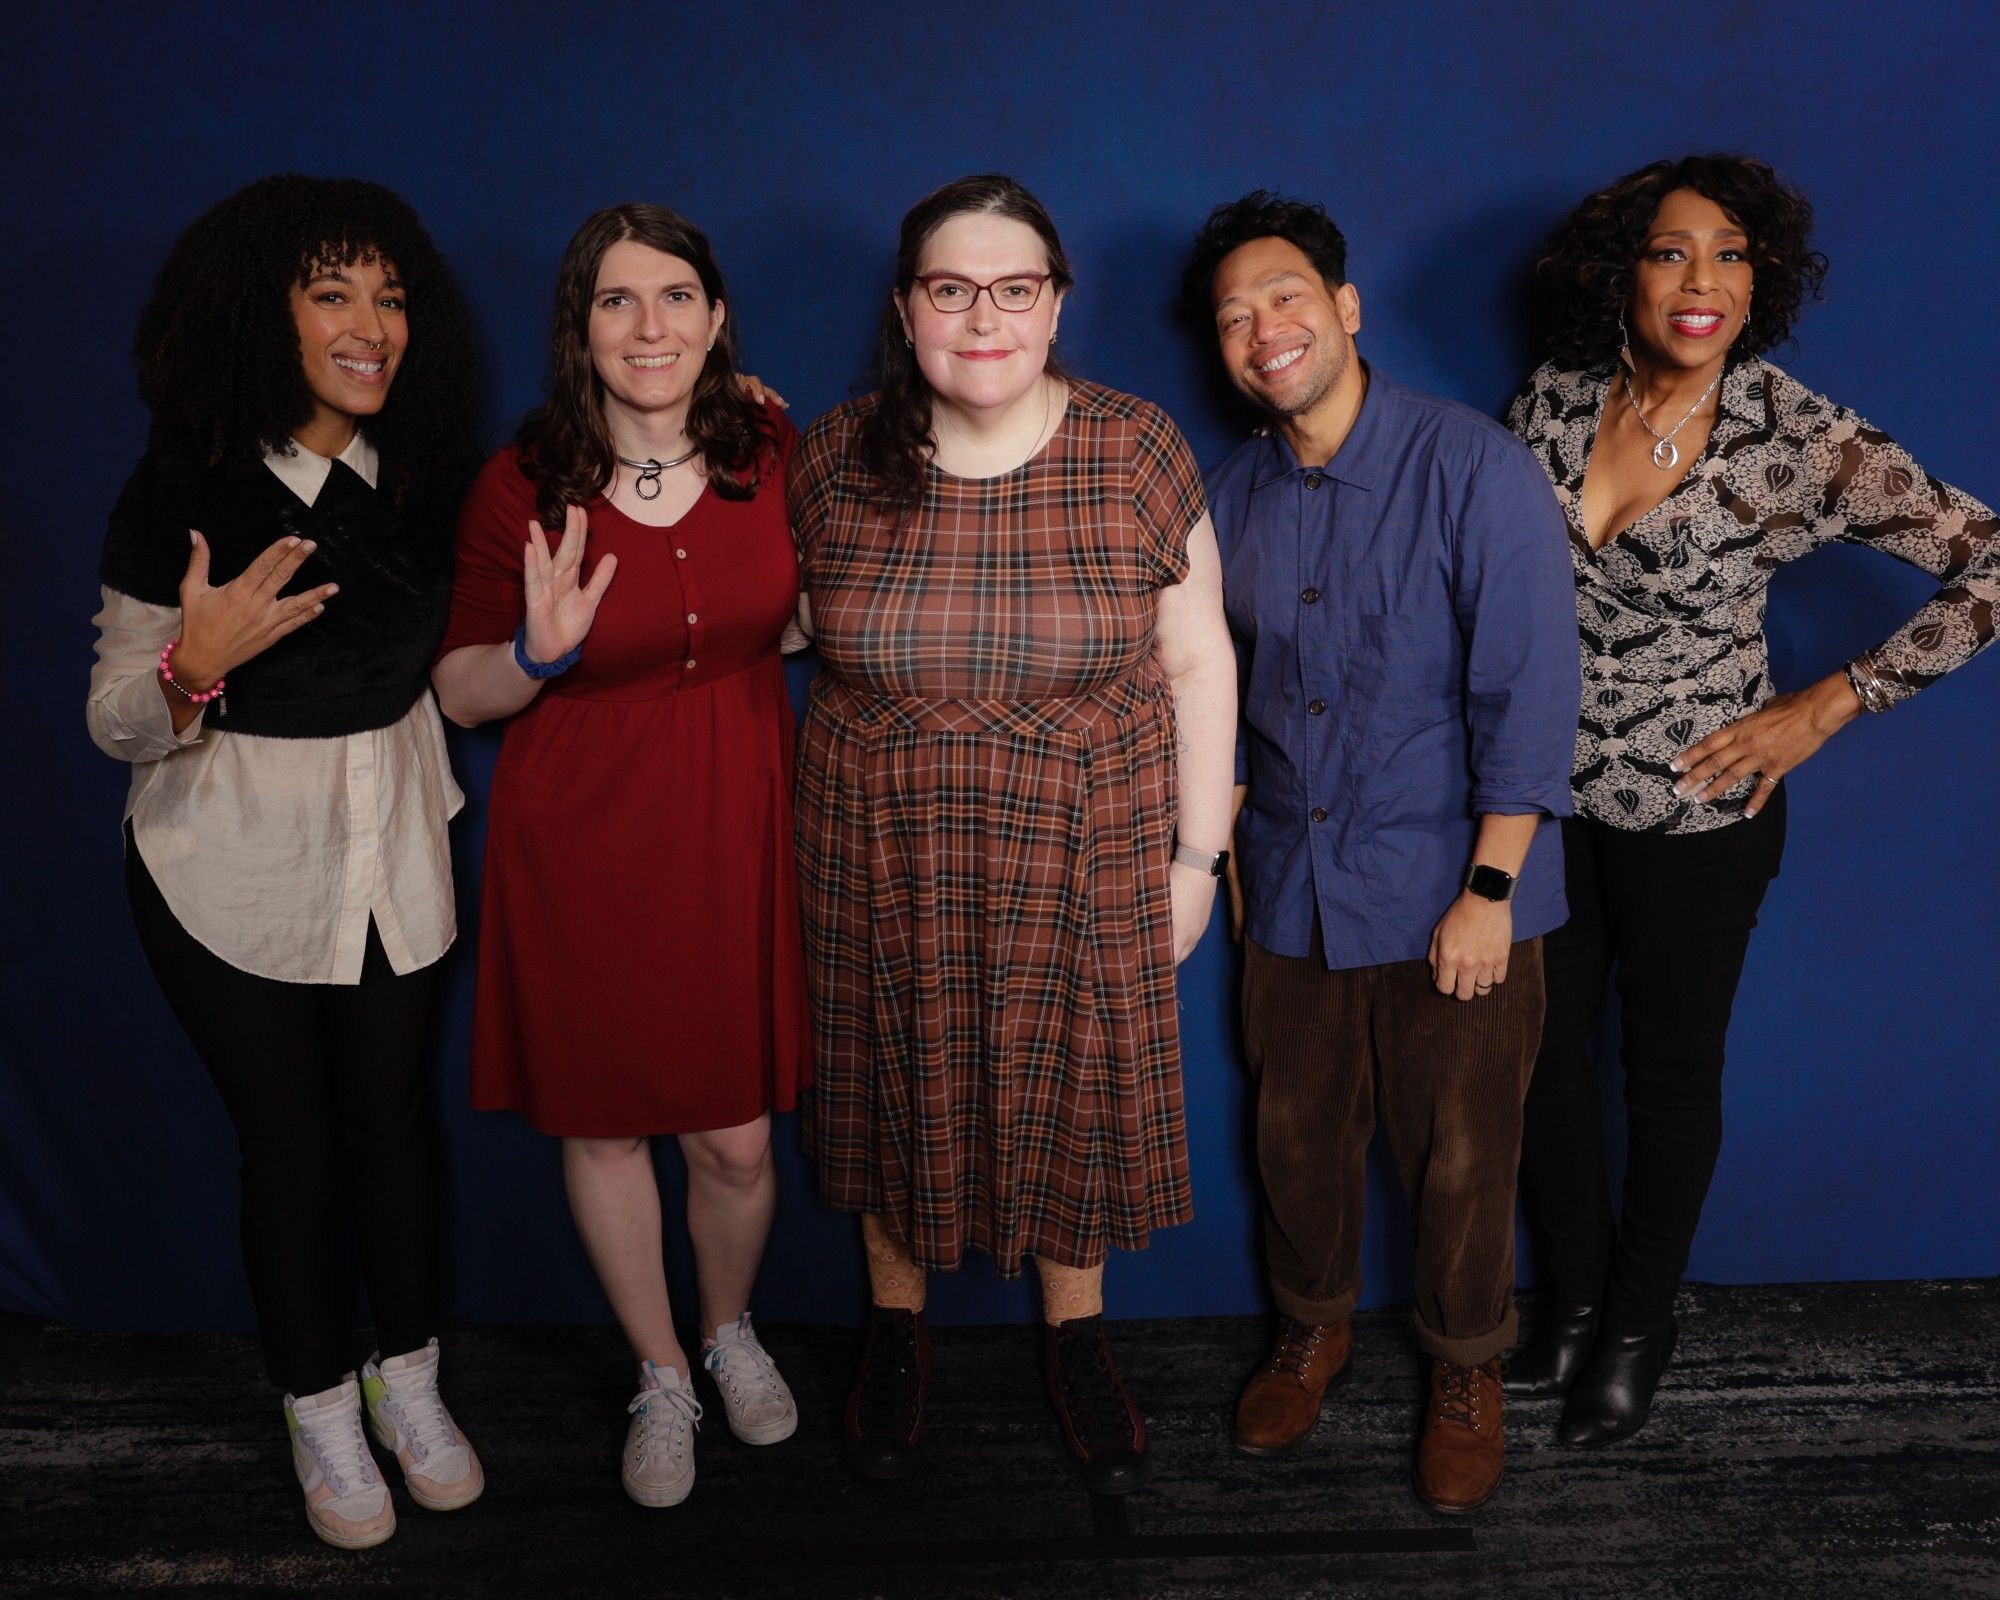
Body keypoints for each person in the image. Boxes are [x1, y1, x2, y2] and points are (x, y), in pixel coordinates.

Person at [1501, 154, 1999, 1446]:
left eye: (1732, 253)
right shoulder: (1552, 400)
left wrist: (1828, 703)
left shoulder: (1804, 438)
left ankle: (1637, 1320)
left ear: (1761, 279)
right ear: (1624, 271)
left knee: (1667, 1074)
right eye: (1672, 250)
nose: (1702, 278)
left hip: (1697, 813)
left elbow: (1992, 562)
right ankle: (1567, 1299)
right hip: (1540, 800)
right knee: (1541, 1067)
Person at [788, 174, 1236, 1495]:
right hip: (880, 835)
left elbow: (1201, 661)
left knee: (1073, 1091)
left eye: (1013, 287)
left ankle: (1077, 1340)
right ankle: (895, 1328)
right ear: (907, 308)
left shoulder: (1137, 447)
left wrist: (1195, 863)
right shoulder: (830, 454)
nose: (982, 314)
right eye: (950, 287)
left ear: (1055, 304)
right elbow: (774, 623)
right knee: (887, 1074)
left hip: (1087, 836)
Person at [88, 175, 484, 1549]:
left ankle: (410, 1382)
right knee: (294, 1149)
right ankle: (317, 1401)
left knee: (395, 1132)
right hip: (230, 871)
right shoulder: (187, 481)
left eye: (391, 298)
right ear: (267, 316)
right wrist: (188, 669)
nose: (372, 325)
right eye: (334, 294)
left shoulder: (426, 470)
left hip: (396, 855)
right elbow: (112, 720)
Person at [1182, 192, 1578, 1513]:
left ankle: (1464, 1367)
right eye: (1233, 316)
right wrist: (1230, 846)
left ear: (1345, 309)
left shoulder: (1472, 467)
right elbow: (1206, 683)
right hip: (1290, 890)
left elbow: (1528, 692)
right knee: (1295, 1140)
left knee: (1462, 1158)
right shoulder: (1227, 494)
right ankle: (1312, 1329)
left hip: (1453, 892)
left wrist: (1488, 890)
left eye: (1285, 297)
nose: (1261, 330)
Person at [432, 203, 811, 1509]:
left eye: (674, 299)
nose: (648, 326)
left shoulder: (770, 444)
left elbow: (812, 607)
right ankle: (660, 1374)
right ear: (580, 328)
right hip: (581, 835)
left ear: (714, 319)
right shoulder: (522, 480)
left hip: (736, 819)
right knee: (600, 1129)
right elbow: (462, 694)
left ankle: (727, 1330)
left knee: (737, 1142)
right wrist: (535, 653)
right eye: (615, 301)